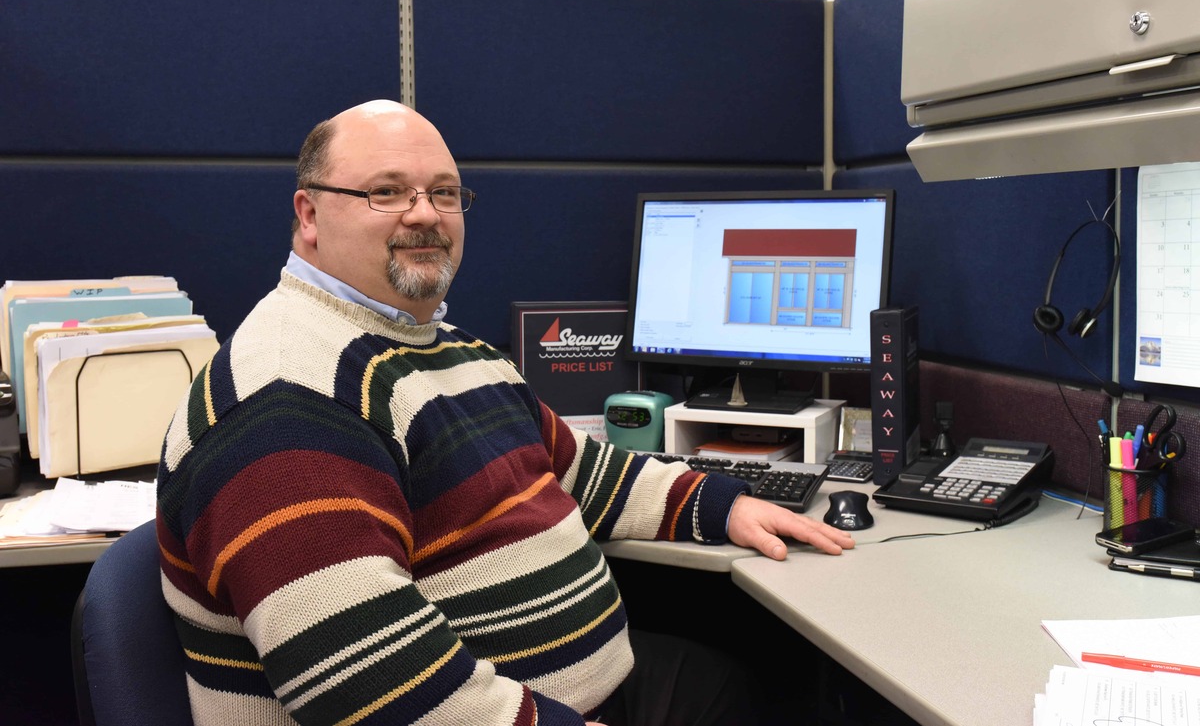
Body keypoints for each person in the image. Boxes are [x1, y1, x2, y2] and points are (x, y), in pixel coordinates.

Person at [155, 99, 855, 726]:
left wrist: (717, 504)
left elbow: (578, 468)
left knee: (753, 683)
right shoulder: (286, 394)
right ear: (309, 215)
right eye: (387, 192)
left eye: (444, 193)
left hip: (584, 693)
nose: (425, 213)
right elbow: (363, 681)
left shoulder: (451, 349)